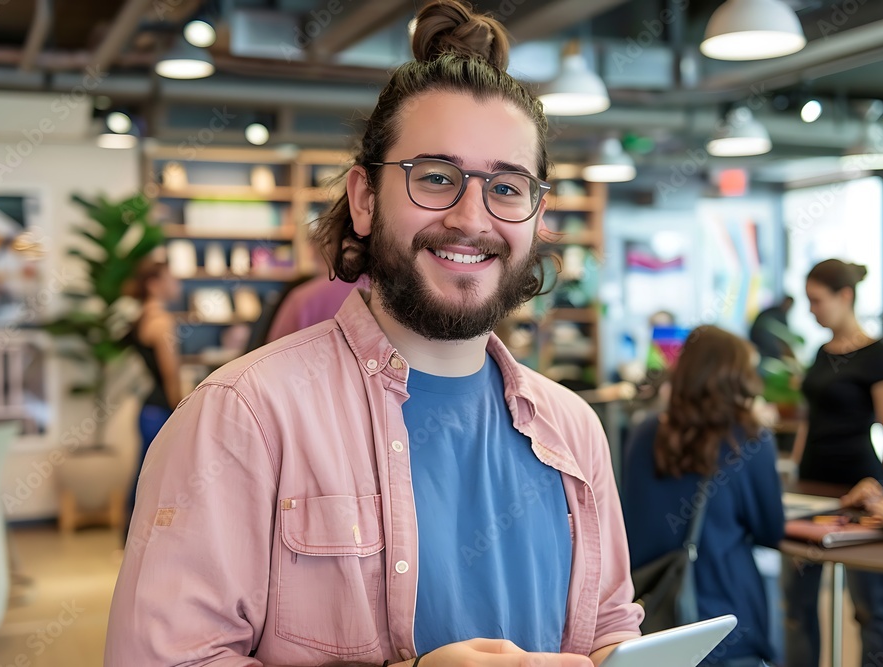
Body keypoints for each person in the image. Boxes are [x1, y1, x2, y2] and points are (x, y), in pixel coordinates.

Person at [105, 2, 643, 665]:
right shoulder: (243, 415)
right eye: (437, 178)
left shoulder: (575, 431)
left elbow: (610, 620)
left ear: (536, 214)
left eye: (506, 187)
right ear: (363, 198)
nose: (471, 218)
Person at [623, 326, 785, 667]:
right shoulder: (749, 439)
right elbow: (771, 530)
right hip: (726, 614)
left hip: (651, 612)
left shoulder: (644, 432)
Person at [785, 259, 883, 667]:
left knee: (869, 605)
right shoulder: (820, 353)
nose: (812, 310)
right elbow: (809, 420)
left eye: (817, 301)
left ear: (845, 296)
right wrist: (793, 470)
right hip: (810, 488)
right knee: (798, 604)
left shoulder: (878, 356)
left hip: (859, 490)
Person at [121, 259, 182, 539]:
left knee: (144, 474)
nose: (176, 284)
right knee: (158, 477)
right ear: (155, 285)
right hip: (160, 411)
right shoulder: (161, 322)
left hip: (147, 410)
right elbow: (171, 374)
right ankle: (141, 537)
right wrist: (181, 409)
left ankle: (129, 537)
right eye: (171, 278)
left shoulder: (140, 318)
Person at [749, 295, 799, 362]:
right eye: (786, 302)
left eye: (788, 304)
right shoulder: (771, 312)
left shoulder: (783, 322)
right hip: (756, 342)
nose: (786, 305)